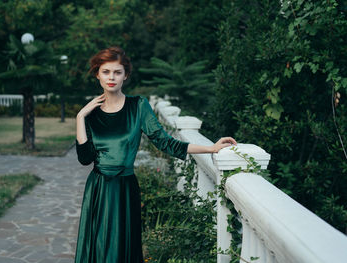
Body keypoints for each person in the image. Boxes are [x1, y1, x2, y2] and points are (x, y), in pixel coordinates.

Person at [74, 46, 237, 263]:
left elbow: (164, 142)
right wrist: (79, 117)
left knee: (122, 250)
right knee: (98, 248)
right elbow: (85, 159)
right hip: (98, 190)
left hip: (124, 189)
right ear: (97, 74)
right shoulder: (90, 115)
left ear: (126, 75)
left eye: (117, 72)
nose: (111, 77)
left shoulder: (138, 106)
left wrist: (211, 148)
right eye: (106, 72)